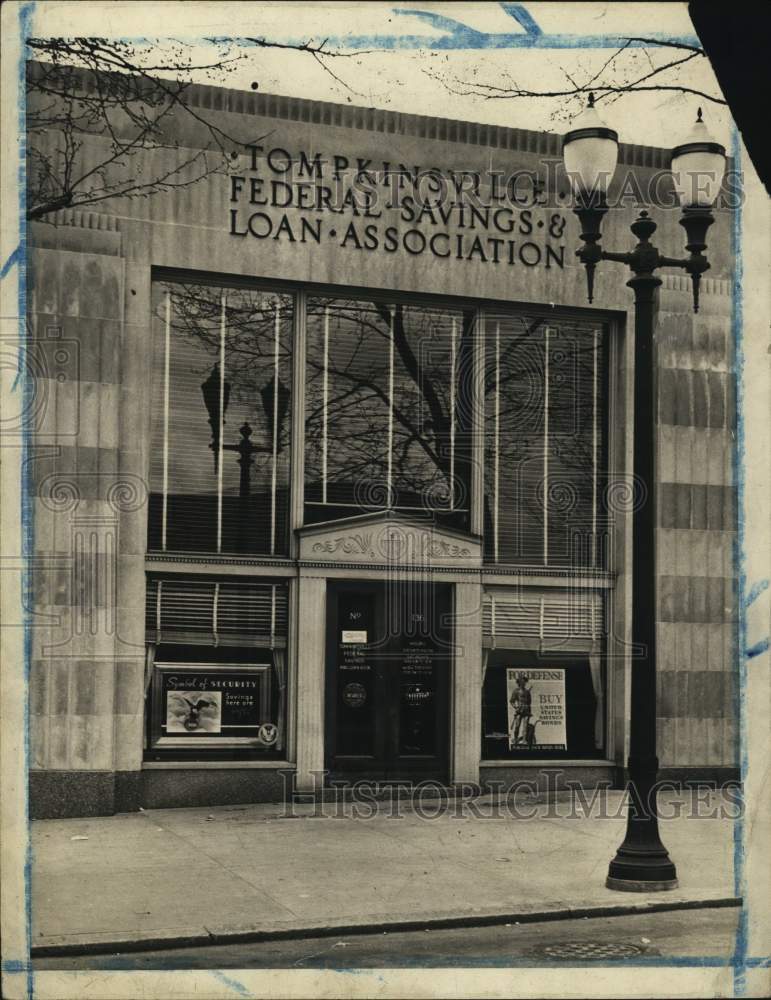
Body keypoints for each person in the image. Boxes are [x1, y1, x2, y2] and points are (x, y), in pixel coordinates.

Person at [509, 671, 532, 747]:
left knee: (525, 727)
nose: (524, 682)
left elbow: (529, 702)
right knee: (517, 726)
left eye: (525, 681)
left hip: (526, 711)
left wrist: (529, 710)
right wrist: (516, 707)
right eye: (522, 681)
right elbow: (511, 701)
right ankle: (515, 739)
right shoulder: (516, 691)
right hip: (519, 711)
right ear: (519, 682)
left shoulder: (527, 692)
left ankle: (524, 740)